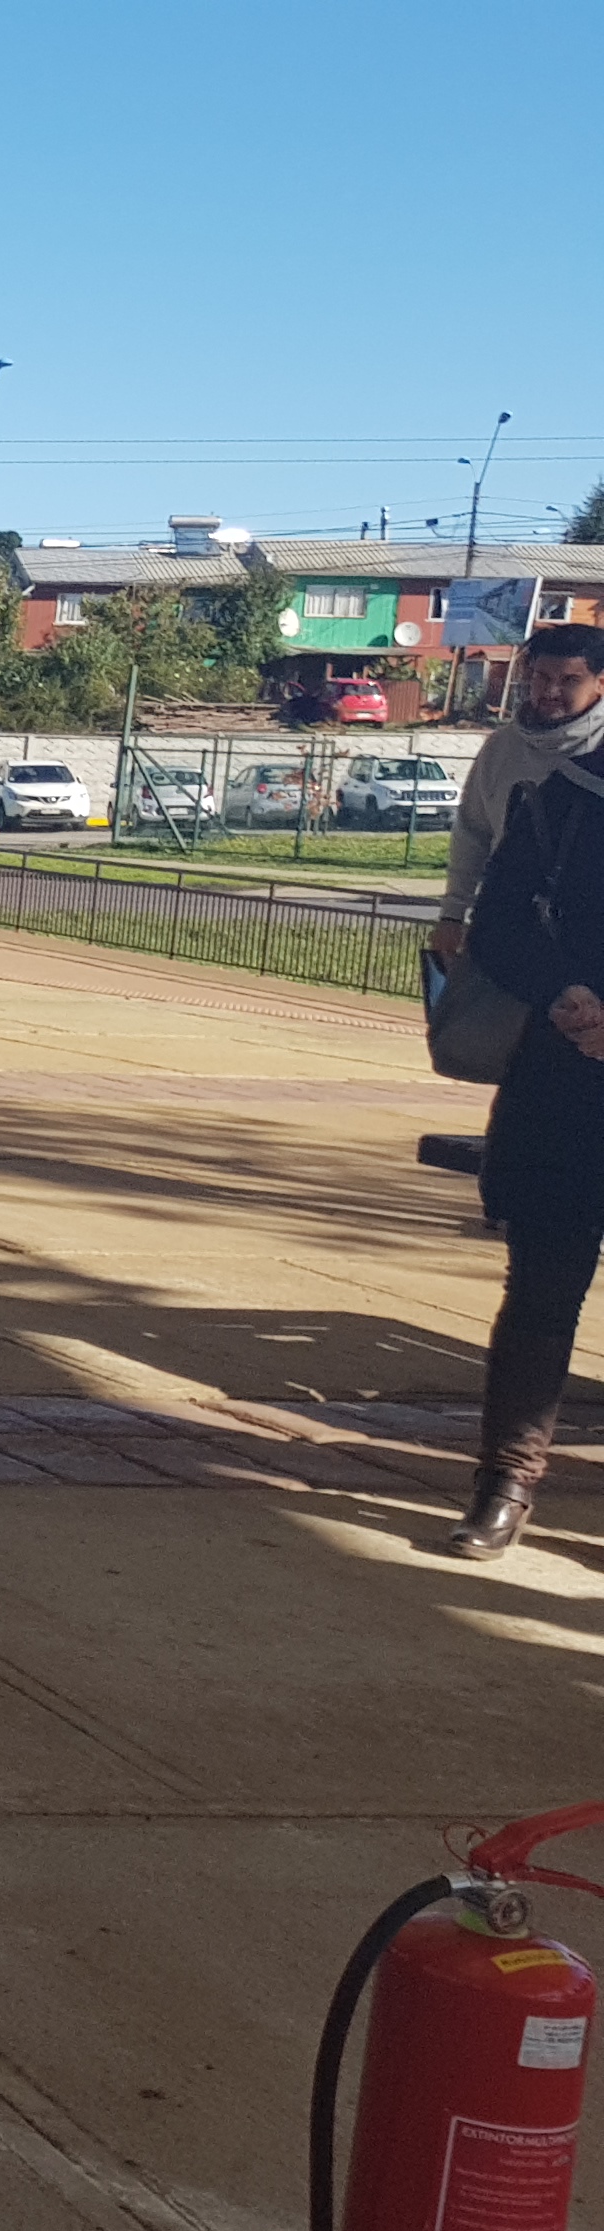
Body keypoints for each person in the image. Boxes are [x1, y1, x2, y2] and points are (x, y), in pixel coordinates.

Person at [450, 736, 604, 1557]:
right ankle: (506, 1480)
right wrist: (561, 992)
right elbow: (500, 923)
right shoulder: (567, 796)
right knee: (542, 1292)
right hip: (565, 1081)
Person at [433, 623, 604, 965]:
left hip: (591, 936)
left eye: (570, 680)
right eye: (542, 677)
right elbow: (472, 834)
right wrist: (452, 915)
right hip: (506, 926)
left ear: (601, 683)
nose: (551, 691)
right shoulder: (501, 748)